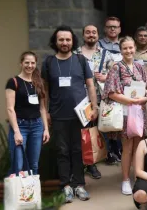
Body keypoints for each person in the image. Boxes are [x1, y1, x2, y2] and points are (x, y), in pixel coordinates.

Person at [42, 25, 98, 202]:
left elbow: (90, 85)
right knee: (62, 151)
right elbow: (44, 90)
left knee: (78, 151)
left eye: (68, 39)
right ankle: (66, 186)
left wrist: (94, 107)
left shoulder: (81, 60)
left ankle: (79, 185)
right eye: (61, 39)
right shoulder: (49, 62)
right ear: (55, 41)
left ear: (72, 41)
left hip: (80, 115)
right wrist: (47, 113)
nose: (64, 42)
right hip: (58, 115)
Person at [103, 36, 147, 195]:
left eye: (131, 47)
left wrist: (145, 98)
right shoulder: (116, 68)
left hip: (140, 111)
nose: (128, 51)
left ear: (134, 48)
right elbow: (110, 92)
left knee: (139, 147)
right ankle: (126, 179)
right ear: (121, 50)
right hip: (126, 112)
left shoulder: (140, 67)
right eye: (125, 48)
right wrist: (131, 100)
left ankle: (138, 176)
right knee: (127, 147)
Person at [75, 24, 118, 177]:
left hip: (100, 99)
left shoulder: (105, 54)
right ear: (83, 35)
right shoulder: (76, 54)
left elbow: (115, 73)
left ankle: (97, 159)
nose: (91, 35)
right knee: (83, 132)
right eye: (88, 32)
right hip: (80, 100)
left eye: (94, 32)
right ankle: (87, 164)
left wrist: (106, 77)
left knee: (98, 131)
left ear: (98, 35)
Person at [6, 51, 50, 176]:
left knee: (33, 164)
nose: (29, 65)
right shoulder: (13, 82)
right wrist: (16, 132)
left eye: (32, 63)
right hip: (20, 126)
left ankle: (32, 194)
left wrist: (46, 129)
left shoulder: (39, 82)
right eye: (27, 62)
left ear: (35, 64)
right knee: (18, 165)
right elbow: (10, 109)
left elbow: (42, 109)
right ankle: (18, 195)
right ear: (21, 63)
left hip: (37, 126)